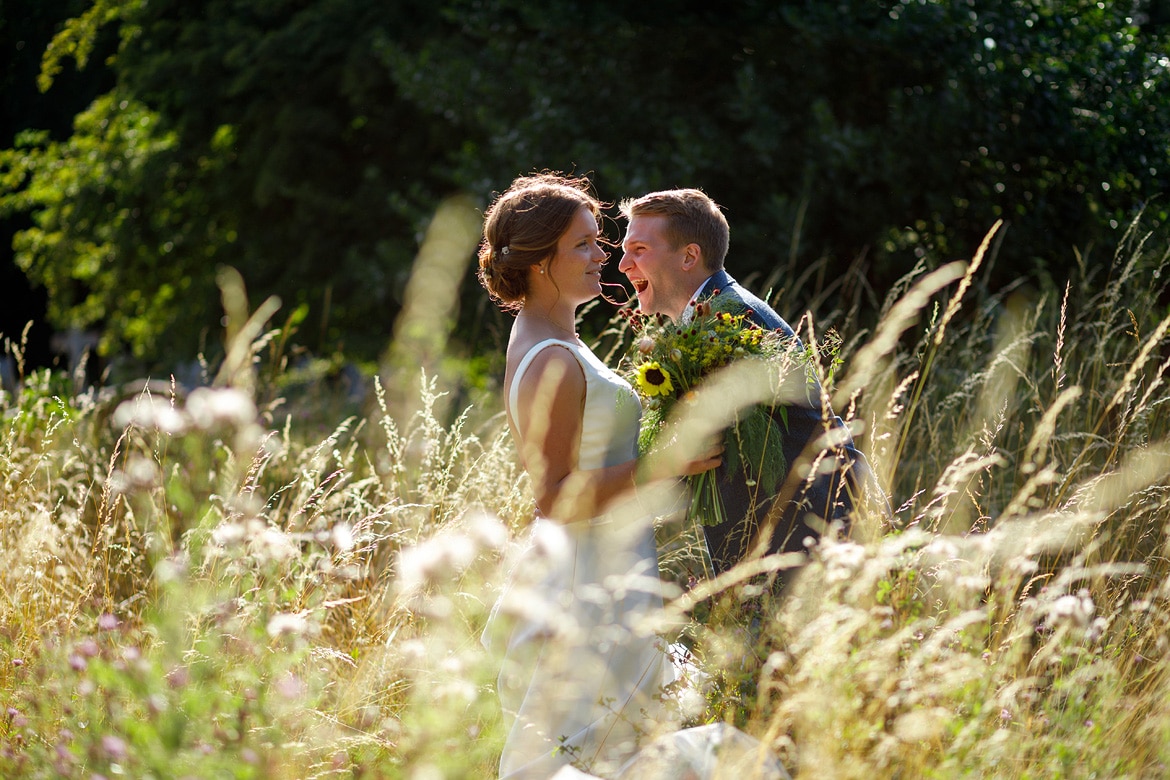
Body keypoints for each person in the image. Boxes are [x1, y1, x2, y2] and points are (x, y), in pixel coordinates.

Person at [477, 174, 722, 779]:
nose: (604, 255)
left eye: (598, 241)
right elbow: (554, 500)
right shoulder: (550, 359)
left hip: (613, 564)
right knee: (597, 749)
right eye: (583, 245)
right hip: (587, 585)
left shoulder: (558, 337)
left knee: (626, 744)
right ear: (539, 263)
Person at [618, 188, 878, 587]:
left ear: (689, 256)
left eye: (638, 249)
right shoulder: (707, 318)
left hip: (808, 537)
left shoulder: (735, 320)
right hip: (782, 539)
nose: (622, 264)